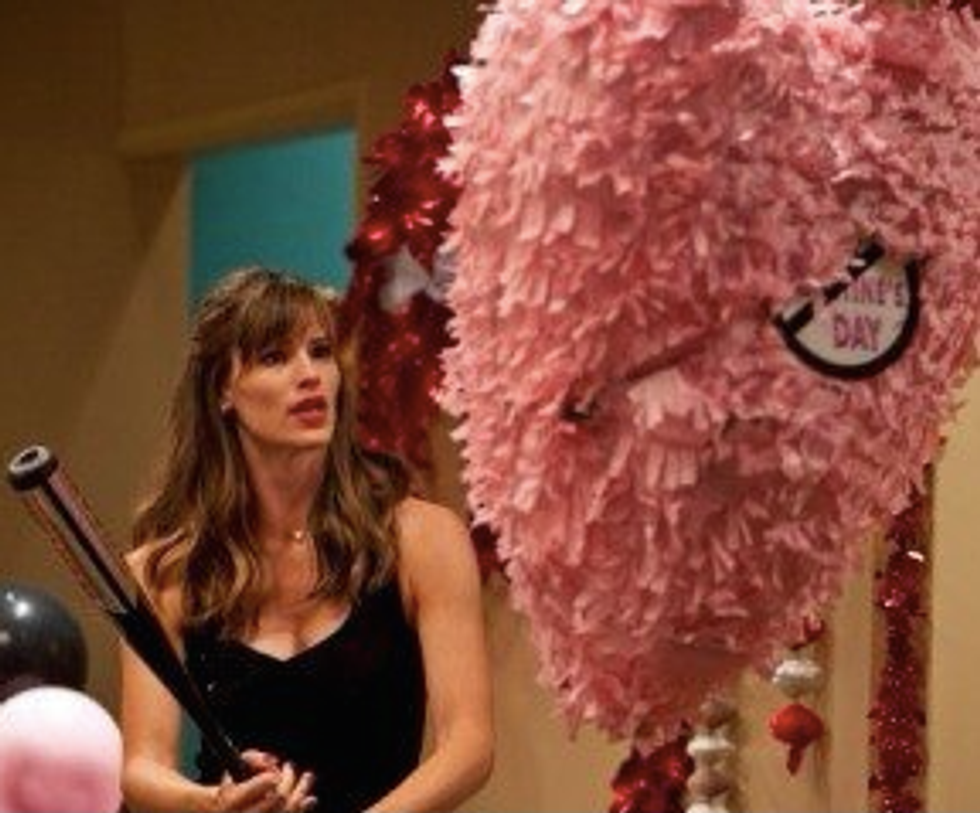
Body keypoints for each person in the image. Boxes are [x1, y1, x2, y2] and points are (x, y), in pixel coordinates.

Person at [120, 267, 493, 813]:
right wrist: (213, 802)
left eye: (320, 352)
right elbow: (141, 766)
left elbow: (468, 745)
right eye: (275, 357)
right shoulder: (168, 568)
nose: (310, 374)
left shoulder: (422, 539)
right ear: (223, 391)